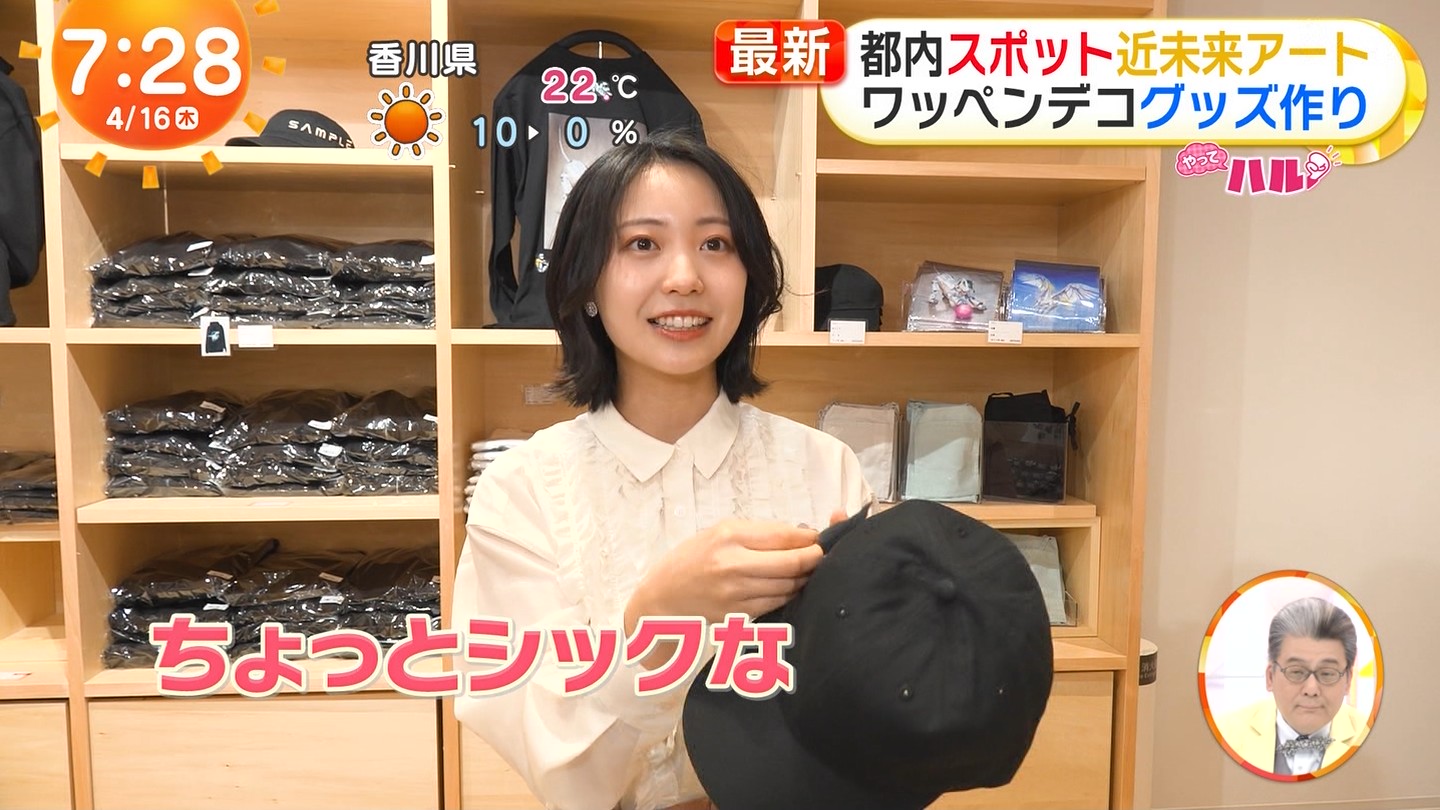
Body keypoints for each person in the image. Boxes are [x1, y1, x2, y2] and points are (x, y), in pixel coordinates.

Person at [452, 129, 872, 810]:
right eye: (642, 244)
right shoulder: (522, 492)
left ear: (749, 278)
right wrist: (655, 622)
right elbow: (556, 770)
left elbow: (866, 715)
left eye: (716, 244)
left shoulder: (826, 467)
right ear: (587, 281)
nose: (685, 277)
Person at [1215, 596, 1370, 776]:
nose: (1311, 689)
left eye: (1327, 673)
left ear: (1348, 680)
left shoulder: (1373, 741)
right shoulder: (1224, 735)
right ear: (1270, 677)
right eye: (1296, 672)